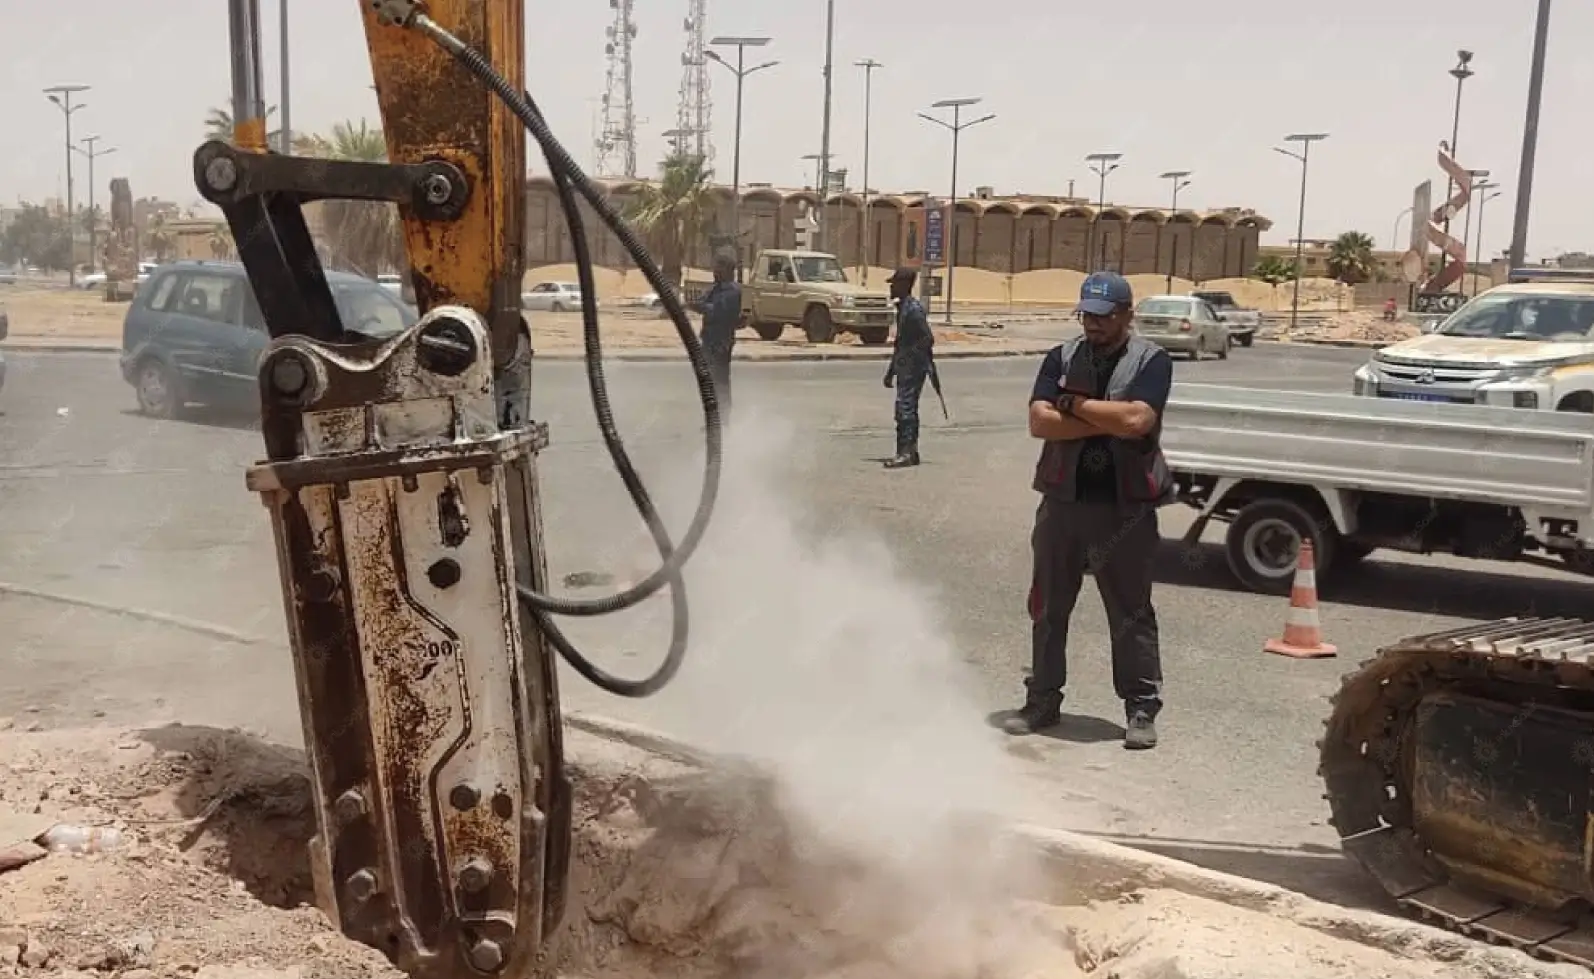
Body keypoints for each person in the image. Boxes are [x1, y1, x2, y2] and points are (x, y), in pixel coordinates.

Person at [1003, 270, 1174, 750]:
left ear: (1126, 315)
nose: (1093, 326)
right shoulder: (1061, 356)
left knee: (1130, 612)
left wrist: (1075, 406)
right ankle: (1043, 700)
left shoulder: (1152, 360)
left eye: (1103, 317)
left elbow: (1139, 420)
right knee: (1048, 607)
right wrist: (1106, 419)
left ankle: (1141, 708)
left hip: (1125, 508)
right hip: (1062, 503)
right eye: (1087, 316)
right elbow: (1040, 422)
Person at [882, 267, 935, 469]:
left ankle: (905, 453)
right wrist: (891, 371)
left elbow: (927, 339)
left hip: (913, 369)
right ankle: (910, 451)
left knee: (905, 409)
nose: (892, 287)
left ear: (904, 285)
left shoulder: (913, 310)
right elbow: (900, 344)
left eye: (894, 284)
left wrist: (911, 362)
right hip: (905, 368)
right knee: (905, 409)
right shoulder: (903, 308)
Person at [693, 251, 742, 416]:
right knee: (710, 382)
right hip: (709, 339)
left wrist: (699, 306)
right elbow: (703, 301)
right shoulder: (716, 289)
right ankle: (714, 417)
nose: (714, 272)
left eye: (718, 269)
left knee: (720, 381)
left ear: (728, 271)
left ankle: (723, 417)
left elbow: (717, 311)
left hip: (721, 342)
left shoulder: (732, 291)